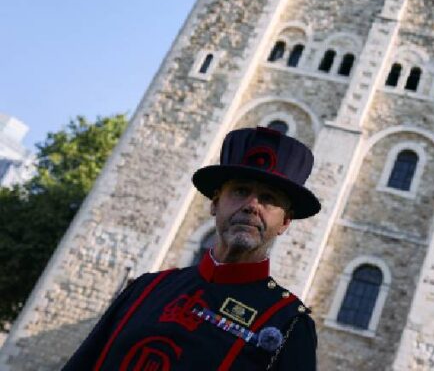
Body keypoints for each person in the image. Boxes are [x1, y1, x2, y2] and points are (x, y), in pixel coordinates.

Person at [64, 127, 321, 370]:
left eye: (268, 198)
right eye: (240, 191)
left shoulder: (288, 324)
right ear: (215, 203)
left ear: (285, 222)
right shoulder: (145, 290)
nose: (251, 205)